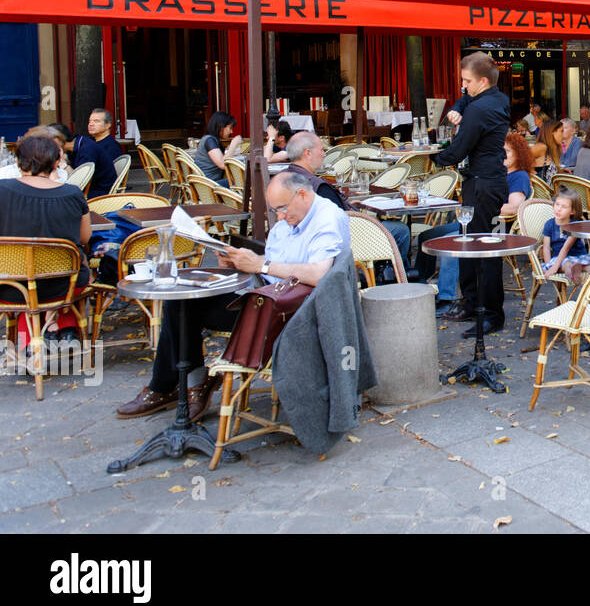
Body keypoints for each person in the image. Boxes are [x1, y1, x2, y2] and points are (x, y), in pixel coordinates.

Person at [115, 170, 348, 420]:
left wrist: (260, 266)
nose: (279, 216)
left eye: (282, 208)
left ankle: (178, 387)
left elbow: (318, 274)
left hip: (294, 312)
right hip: (268, 295)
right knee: (182, 301)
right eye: (276, 210)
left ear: (302, 194)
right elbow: (275, 263)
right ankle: (183, 385)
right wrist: (242, 261)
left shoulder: (327, 218)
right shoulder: (293, 216)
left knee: (184, 309)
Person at [430, 52, 511, 336]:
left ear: (484, 81)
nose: (463, 86)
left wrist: (433, 157)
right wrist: (455, 107)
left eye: (467, 81)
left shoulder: (480, 110)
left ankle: (491, 313)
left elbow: (458, 149)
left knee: (483, 247)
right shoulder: (496, 98)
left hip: (483, 183)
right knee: (468, 239)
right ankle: (472, 301)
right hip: (485, 179)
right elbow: (466, 100)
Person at [0, 132, 90, 352]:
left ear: (18, 161)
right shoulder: (72, 193)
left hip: (8, 285)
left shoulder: (2, 189)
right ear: (56, 161)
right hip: (63, 286)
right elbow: (85, 238)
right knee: (81, 263)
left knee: (29, 282)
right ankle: (64, 329)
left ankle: (31, 341)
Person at [286, 132, 412, 283]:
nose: (324, 154)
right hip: (343, 239)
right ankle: (391, 280)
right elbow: (341, 220)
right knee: (400, 230)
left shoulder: (284, 177)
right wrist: (364, 218)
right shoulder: (318, 187)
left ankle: (378, 273)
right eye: (321, 150)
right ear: (308, 153)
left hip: (303, 240)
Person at [540, 187, 590, 287]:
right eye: (557, 204)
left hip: (579, 256)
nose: (559, 209)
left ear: (572, 211)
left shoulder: (575, 225)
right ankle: (574, 273)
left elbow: (566, 248)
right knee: (567, 264)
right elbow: (546, 247)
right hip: (560, 259)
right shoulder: (549, 225)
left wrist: (554, 267)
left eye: (564, 207)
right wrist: (549, 264)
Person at [70, 107, 123, 198]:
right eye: (90, 121)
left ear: (108, 125)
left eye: (96, 121)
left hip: (98, 193)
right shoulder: (91, 143)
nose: (91, 124)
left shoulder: (111, 146)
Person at [194, 111, 241, 188]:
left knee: (240, 179)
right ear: (221, 127)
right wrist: (233, 144)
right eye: (230, 128)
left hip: (204, 183)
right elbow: (223, 164)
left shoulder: (209, 139)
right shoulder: (209, 140)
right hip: (208, 185)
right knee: (242, 181)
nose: (231, 131)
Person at [531, 118, 563, 184]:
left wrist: (558, 170)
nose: (563, 135)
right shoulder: (542, 147)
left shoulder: (554, 149)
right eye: (561, 131)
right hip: (543, 192)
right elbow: (520, 158)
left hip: (552, 191)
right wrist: (531, 174)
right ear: (552, 132)